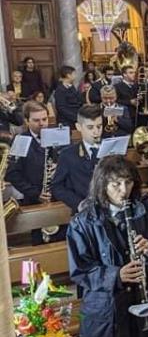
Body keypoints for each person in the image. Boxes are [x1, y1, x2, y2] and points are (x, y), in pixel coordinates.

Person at [66, 156, 148, 337]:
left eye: (128, 182)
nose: (123, 190)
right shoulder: (83, 221)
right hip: (107, 309)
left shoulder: (147, 208)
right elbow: (80, 270)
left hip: (142, 300)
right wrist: (116, 275)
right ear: (102, 183)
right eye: (116, 184)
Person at [6, 101, 52, 244]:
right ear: (26, 121)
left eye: (44, 119)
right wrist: (35, 193)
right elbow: (12, 174)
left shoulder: (57, 135)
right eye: (36, 120)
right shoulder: (21, 140)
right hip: (34, 198)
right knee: (40, 242)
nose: (42, 123)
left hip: (57, 195)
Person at [52, 104, 103, 214]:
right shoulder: (68, 154)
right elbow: (57, 186)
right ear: (79, 127)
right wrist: (78, 203)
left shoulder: (110, 149)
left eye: (99, 126)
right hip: (84, 213)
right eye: (90, 127)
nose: (96, 131)